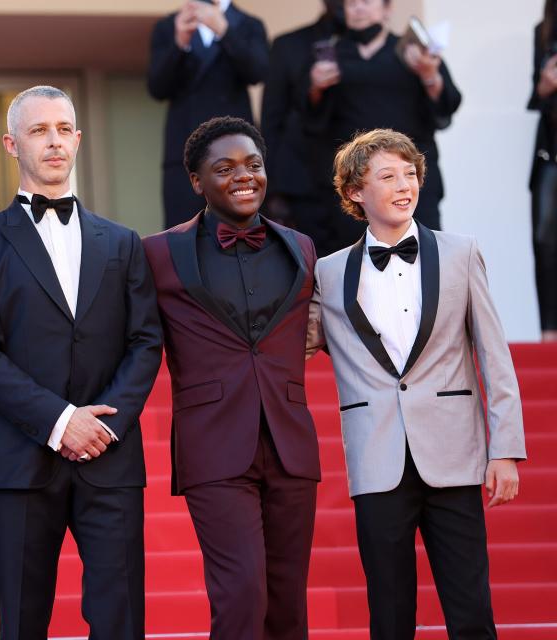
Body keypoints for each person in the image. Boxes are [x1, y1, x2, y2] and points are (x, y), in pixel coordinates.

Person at [0, 86, 163, 640]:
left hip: (110, 457)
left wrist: (101, 427)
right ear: (11, 144)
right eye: (38, 130)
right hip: (19, 460)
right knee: (21, 619)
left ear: (77, 138)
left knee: (121, 619)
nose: (53, 142)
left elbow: (146, 343)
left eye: (63, 129)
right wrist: (59, 420)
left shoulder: (122, 242)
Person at [306, 129, 526, 640]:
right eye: (387, 176)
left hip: (455, 453)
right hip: (376, 456)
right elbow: (299, 345)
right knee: (389, 613)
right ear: (356, 192)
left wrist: (506, 448)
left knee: (470, 608)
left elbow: (495, 355)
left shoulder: (460, 253)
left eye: (410, 174)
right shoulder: (328, 272)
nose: (404, 185)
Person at [142, 116, 320, 640]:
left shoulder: (302, 248)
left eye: (254, 165)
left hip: (290, 443)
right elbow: (131, 339)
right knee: (242, 593)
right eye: (225, 168)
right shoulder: (158, 254)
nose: (244, 176)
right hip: (213, 447)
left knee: (287, 604)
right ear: (197, 182)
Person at [303, 0, 461, 253]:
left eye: (367, 2)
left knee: (425, 256)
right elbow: (311, 118)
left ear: (387, 9)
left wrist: (429, 74)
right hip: (357, 181)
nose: (358, 8)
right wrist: (316, 88)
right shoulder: (330, 55)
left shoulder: (412, 52)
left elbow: (446, 107)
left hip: (410, 177)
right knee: (353, 260)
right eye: (351, 4)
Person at [148, 0, 268, 229]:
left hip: (236, 150)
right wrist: (180, 43)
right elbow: (157, 87)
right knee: (182, 233)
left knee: (240, 228)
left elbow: (258, 71)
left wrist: (224, 31)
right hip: (183, 152)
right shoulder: (168, 26)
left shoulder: (249, 24)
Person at [260, 0, 345, 254]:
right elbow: (271, 121)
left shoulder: (371, 48)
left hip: (357, 180)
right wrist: (272, 191)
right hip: (301, 184)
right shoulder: (288, 45)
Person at [529, 0, 557, 341]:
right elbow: (535, 96)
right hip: (550, 152)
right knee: (545, 242)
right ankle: (550, 334)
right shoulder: (544, 29)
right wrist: (545, 85)